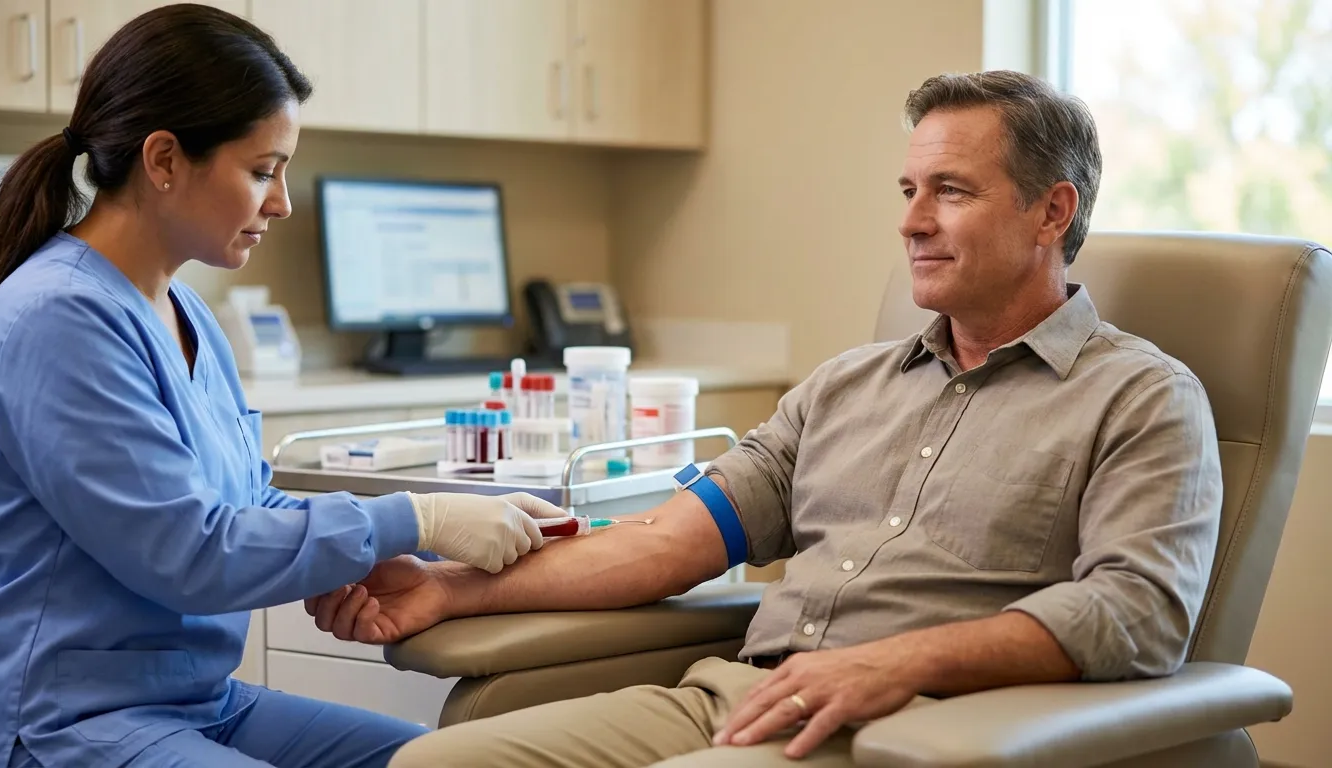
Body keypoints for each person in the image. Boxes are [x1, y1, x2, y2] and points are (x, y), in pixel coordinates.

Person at [308, 70, 1223, 768]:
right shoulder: (845, 387)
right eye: (907, 191)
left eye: (951, 190)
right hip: (736, 695)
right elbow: (667, 543)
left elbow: (1136, 613)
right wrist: (451, 586)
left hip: (918, 730)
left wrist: (898, 665)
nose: (912, 220)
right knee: (431, 762)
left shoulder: (1140, 398)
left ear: (1050, 212)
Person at [0, 5, 563, 767]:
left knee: (443, 761)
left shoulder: (185, 313)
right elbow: (188, 550)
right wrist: (420, 516)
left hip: (197, 702)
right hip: (60, 722)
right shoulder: (59, 318)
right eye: (261, 170)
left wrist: (366, 558)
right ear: (165, 159)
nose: (278, 201)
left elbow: (244, 506)